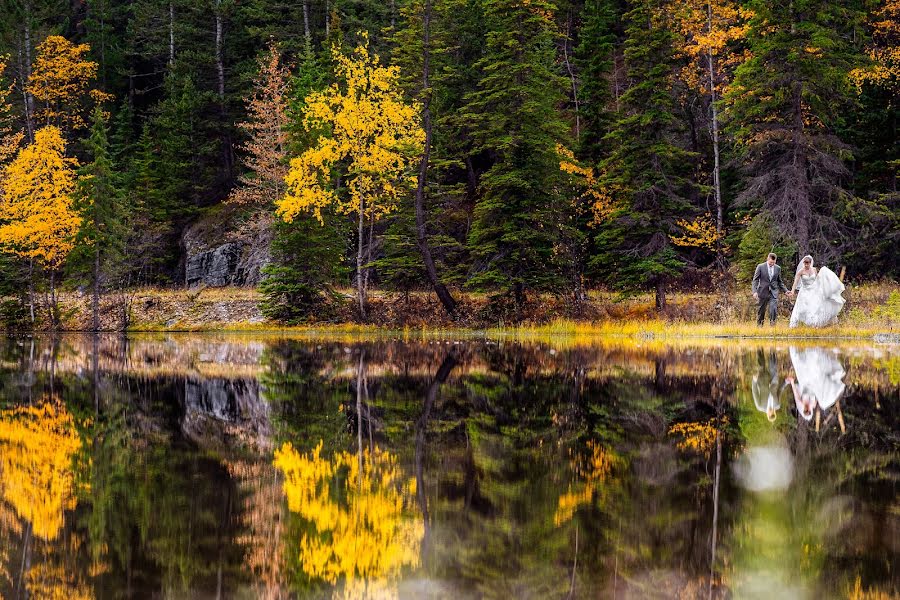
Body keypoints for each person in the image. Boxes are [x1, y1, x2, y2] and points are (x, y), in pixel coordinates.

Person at [788, 255, 846, 328]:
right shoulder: (801, 271)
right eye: (805, 263)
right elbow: (795, 282)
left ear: (810, 263)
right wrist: (792, 291)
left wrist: (824, 286)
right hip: (804, 291)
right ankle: (797, 325)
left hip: (813, 290)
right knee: (802, 308)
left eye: (807, 263)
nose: (806, 265)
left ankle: (814, 325)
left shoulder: (814, 270)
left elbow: (817, 280)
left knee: (814, 307)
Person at [751, 253, 789, 326]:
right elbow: (755, 280)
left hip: (773, 292)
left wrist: (786, 290)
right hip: (762, 291)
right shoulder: (760, 266)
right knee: (761, 311)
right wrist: (754, 291)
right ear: (767, 259)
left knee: (773, 309)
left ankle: (772, 325)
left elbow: (779, 281)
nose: (772, 264)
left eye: (774, 263)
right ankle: (760, 326)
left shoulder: (778, 268)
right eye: (771, 262)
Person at [752, 349, 786, 422]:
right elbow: (780, 391)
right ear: (775, 413)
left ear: (768, 415)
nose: (772, 412)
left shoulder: (760, 406)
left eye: (770, 414)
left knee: (761, 364)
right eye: (773, 413)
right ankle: (772, 348)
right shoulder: (777, 405)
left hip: (762, 381)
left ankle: (759, 346)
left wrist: (754, 381)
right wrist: (785, 382)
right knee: (773, 365)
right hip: (774, 382)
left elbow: (755, 393)